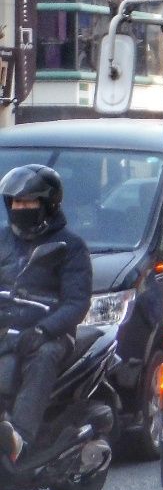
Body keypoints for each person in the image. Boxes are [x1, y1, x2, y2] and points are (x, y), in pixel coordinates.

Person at [0, 165, 92, 465]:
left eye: (27, 202)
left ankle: (19, 439)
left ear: (48, 204)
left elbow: (76, 303)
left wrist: (43, 330)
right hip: (7, 329)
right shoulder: (2, 241)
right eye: (14, 202)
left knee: (42, 356)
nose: (19, 208)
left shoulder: (70, 247)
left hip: (51, 335)